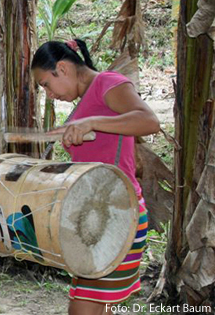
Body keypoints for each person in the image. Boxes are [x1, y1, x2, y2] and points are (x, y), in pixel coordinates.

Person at [32, 39, 160, 315]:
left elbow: (149, 121)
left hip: (116, 217)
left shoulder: (107, 82)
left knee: (83, 309)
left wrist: (91, 122)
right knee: (97, 307)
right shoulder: (88, 98)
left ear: (62, 68)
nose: (48, 94)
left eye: (45, 84)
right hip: (96, 217)